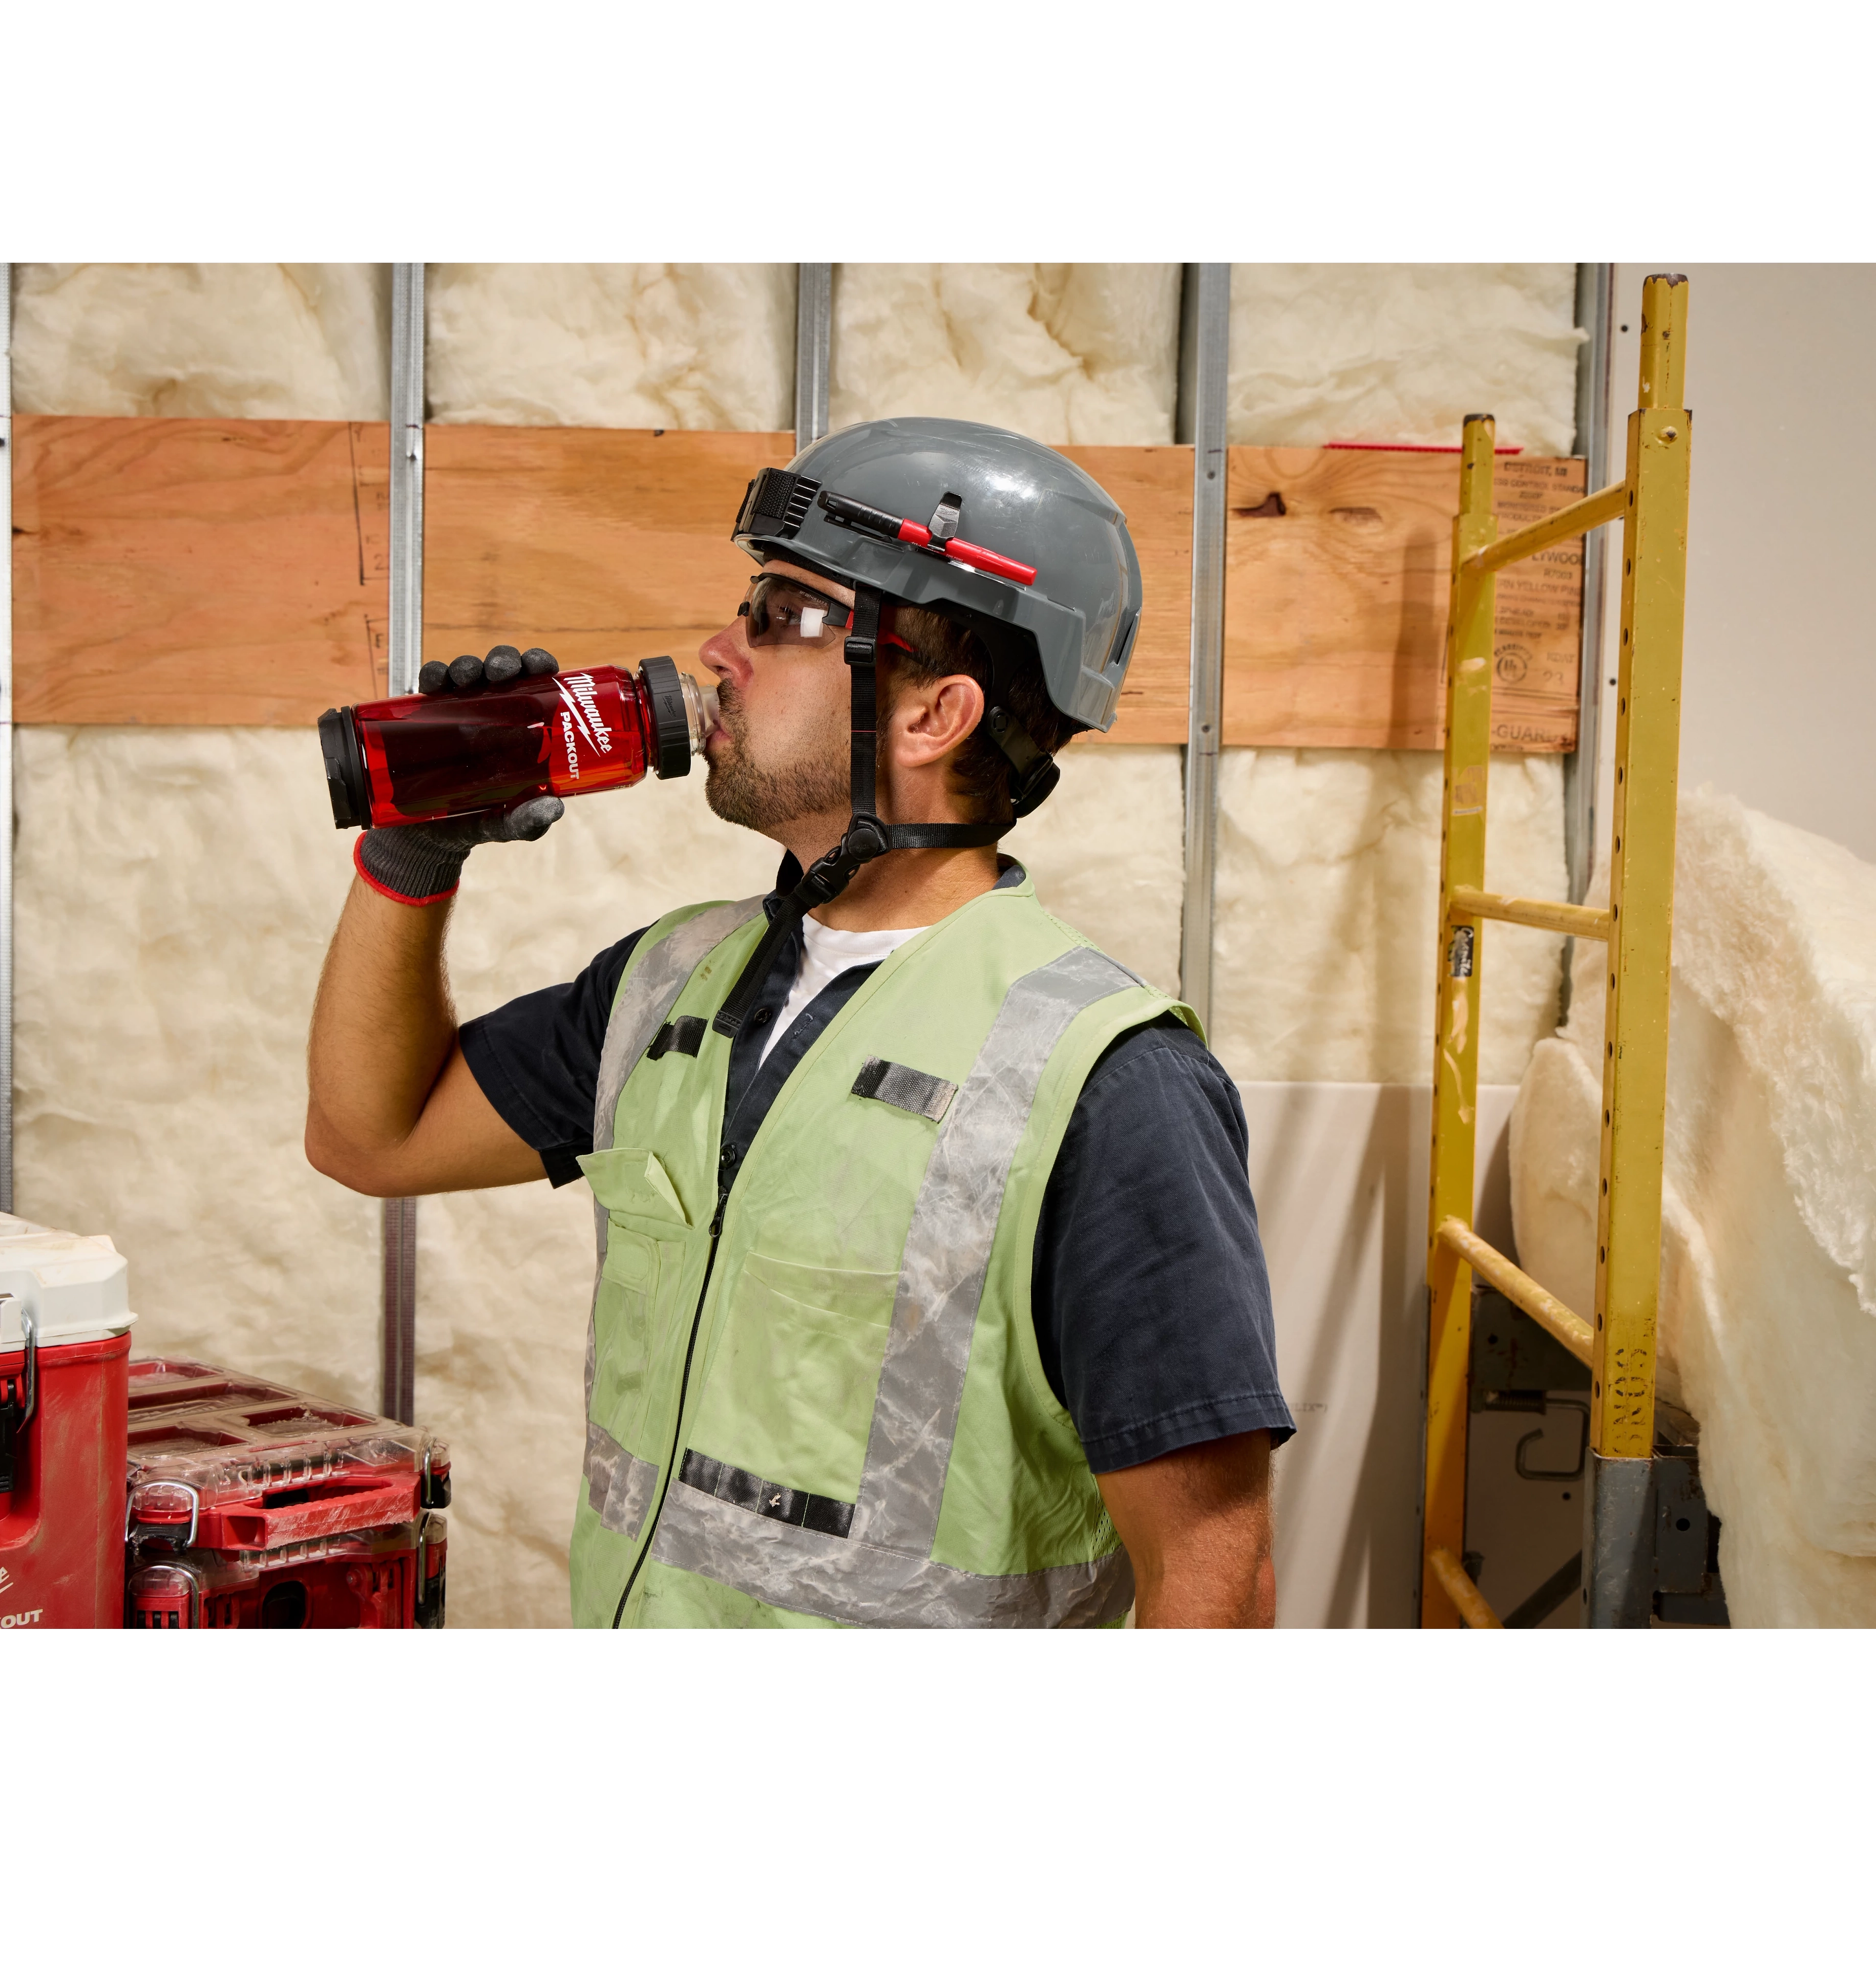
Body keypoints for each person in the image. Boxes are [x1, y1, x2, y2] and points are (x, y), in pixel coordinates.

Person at [306, 417, 1292, 1628]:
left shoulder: (1104, 1078)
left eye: (784, 614)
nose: (720, 649)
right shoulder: (671, 985)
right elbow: (372, 1136)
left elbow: (1215, 1575)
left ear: (933, 715)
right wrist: (413, 853)